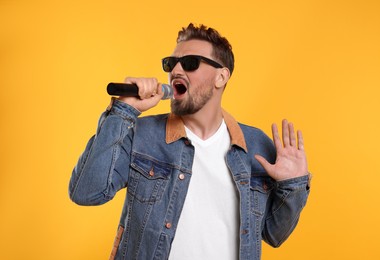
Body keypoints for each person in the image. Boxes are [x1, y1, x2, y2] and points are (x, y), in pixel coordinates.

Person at [69, 23, 311, 260]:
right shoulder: (141, 134)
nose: (176, 70)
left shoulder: (255, 145)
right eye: (170, 63)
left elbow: (273, 235)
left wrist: (292, 186)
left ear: (221, 77)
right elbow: (86, 192)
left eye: (190, 63)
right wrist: (124, 110)